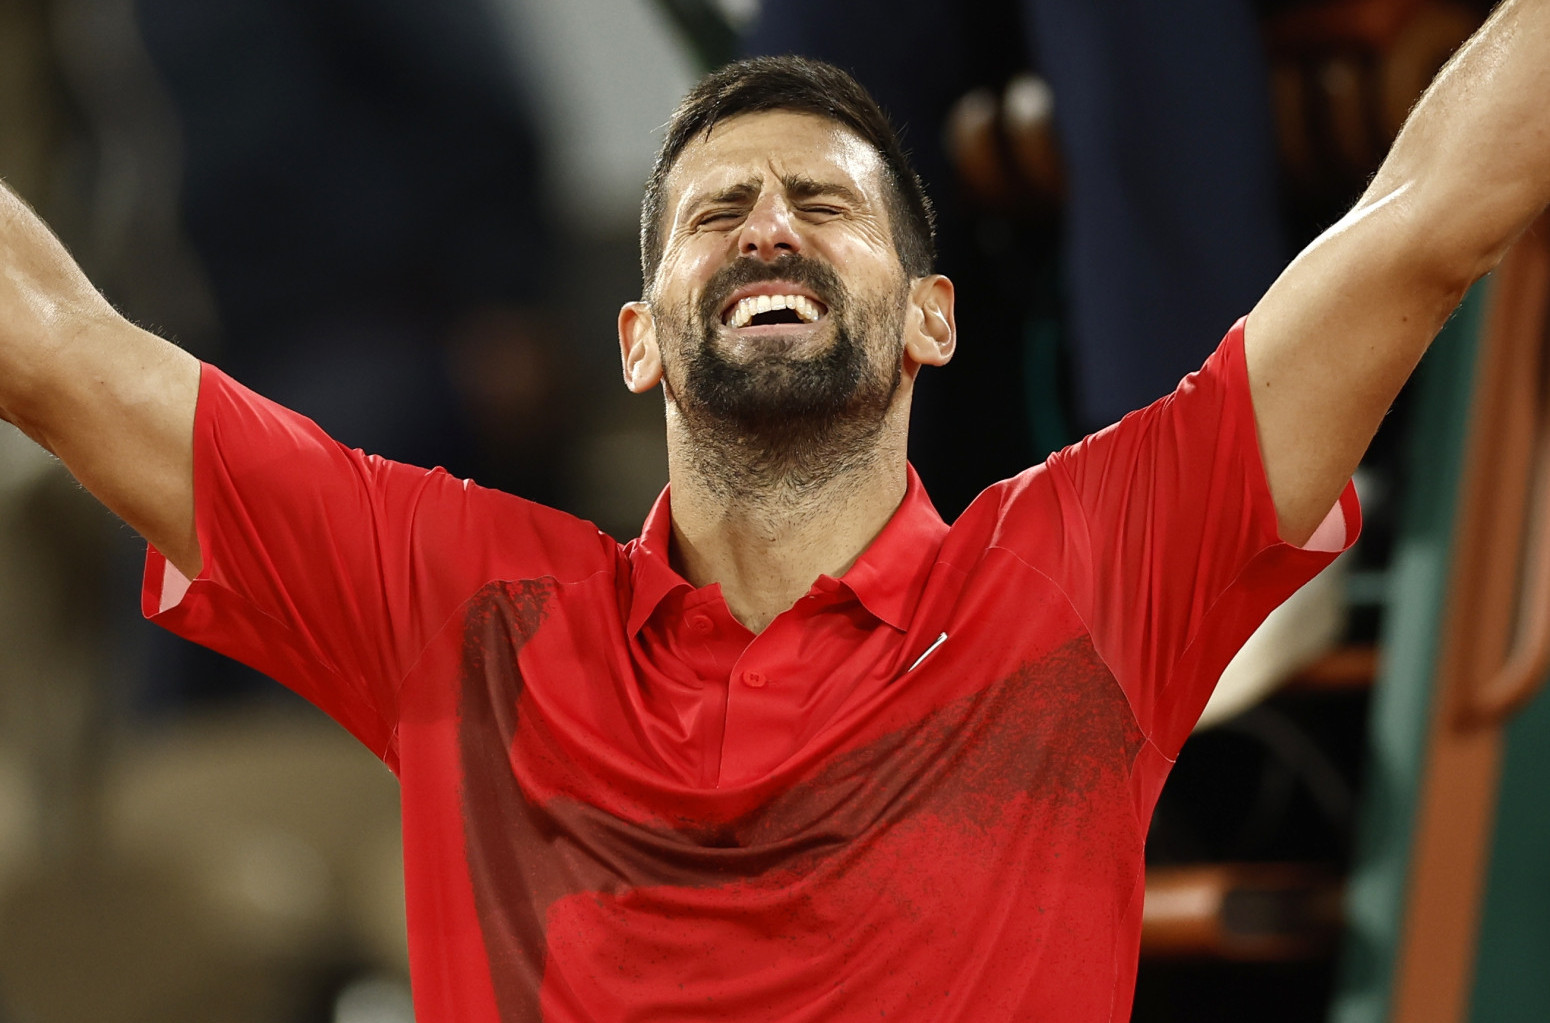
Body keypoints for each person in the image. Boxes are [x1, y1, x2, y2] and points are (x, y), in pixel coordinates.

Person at [0, 5, 1545, 1019]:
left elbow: (1429, 216)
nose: (767, 230)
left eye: (825, 206)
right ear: (636, 339)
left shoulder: (1078, 576)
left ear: (932, 317)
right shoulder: (467, 612)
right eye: (716, 212)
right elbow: (53, 342)